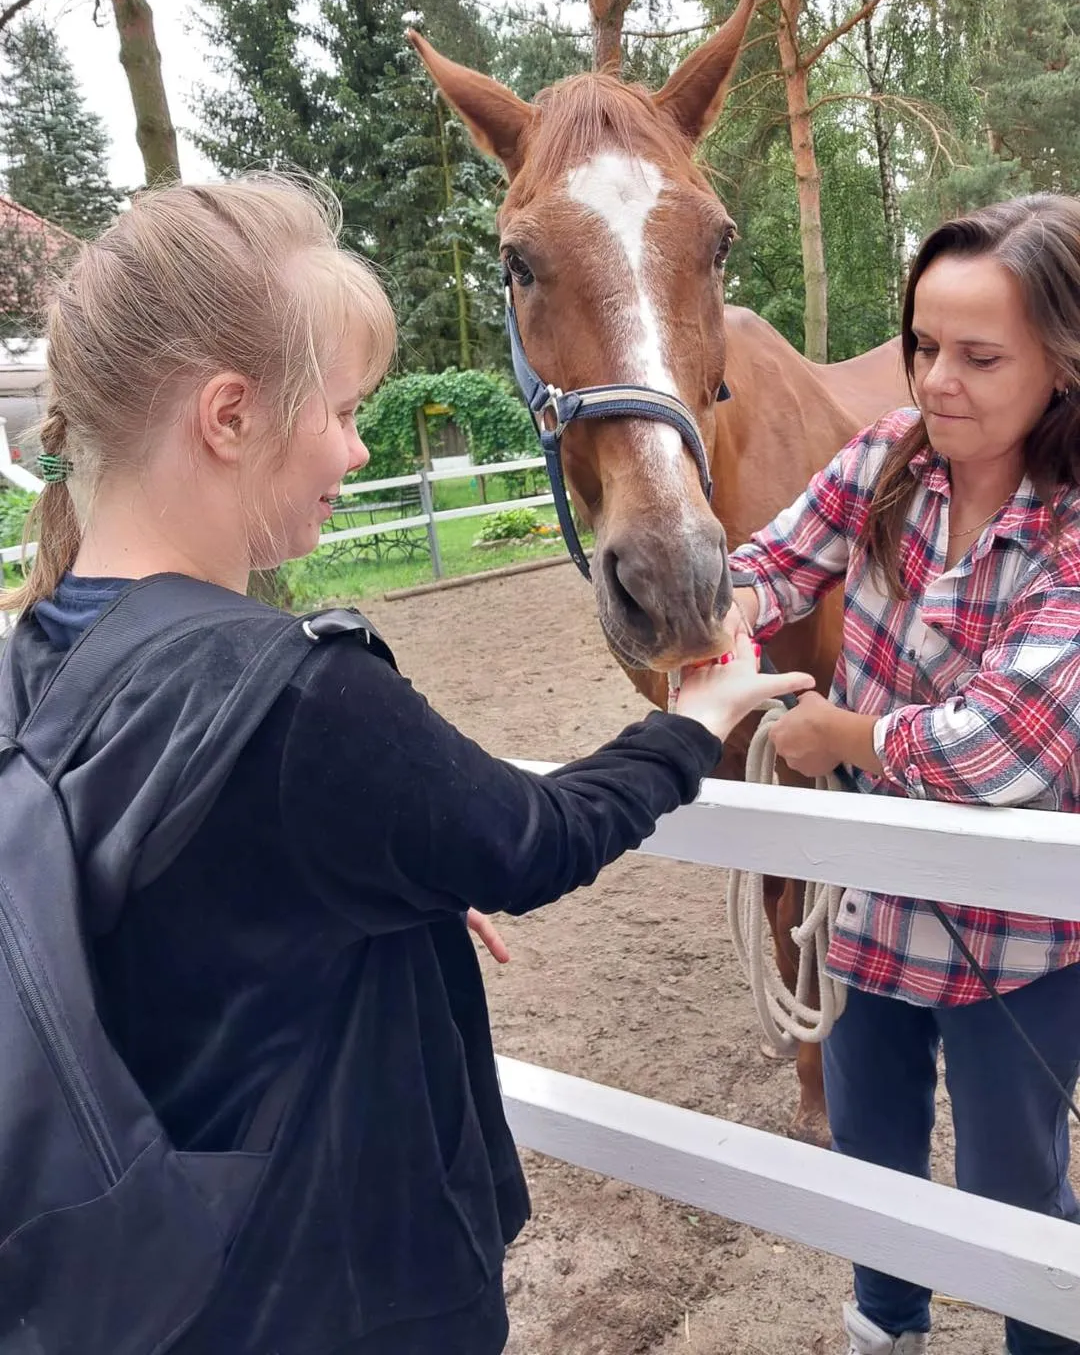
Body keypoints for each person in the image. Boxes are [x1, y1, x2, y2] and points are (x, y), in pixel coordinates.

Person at [0, 174, 811, 1355]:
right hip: (336, 1278)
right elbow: (533, 841)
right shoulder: (300, 698)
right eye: (341, 410)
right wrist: (693, 724)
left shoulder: (42, 647)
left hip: (167, 1274)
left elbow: (184, 895)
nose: (358, 444)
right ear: (229, 419)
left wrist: (376, 879)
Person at [726, 193, 1080, 1355]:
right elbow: (775, 561)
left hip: (1017, 937)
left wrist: (852, 741)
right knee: (872, 1158)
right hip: (871, 900)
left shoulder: (1071, 532)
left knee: (1011, 1194)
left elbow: (1011, 744)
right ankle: (888, 1326)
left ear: (1064, 366)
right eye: (925, 345)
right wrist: (715, 607)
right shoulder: (887, 459)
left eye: (980, 357)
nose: (934, 381)